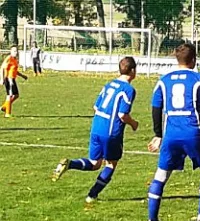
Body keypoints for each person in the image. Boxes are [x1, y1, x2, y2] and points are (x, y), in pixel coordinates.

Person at [146, 43, 200, 221]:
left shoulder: (164, 80)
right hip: (193, 132)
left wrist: (158, 134)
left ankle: (151, 219)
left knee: (161, 174)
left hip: (171, 134)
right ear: (194, 60)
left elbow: (156, 107)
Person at [52, 57, 139, 203]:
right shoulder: (128, 90)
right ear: (133, 70)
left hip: (96, 128)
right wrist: (134, 124)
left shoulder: (109, 84)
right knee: (110, 164)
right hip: (111, 132)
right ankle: (92, 195)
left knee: (94, 163)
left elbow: (95, 107)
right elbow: (122, 115)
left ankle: (70, 164)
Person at [1, 46, 28, 118]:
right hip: (8, 79)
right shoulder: (9, 58)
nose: (15, 52)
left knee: (16, 95)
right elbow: (2, 68)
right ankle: (7, 114)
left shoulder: (15, 59)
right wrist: (1, 79)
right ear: (11, 51)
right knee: (9, 95)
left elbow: (14, 70)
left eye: (16, 51)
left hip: (12, 79)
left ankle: (4, 107)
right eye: (14, 51)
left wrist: (22, 76)